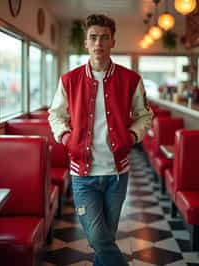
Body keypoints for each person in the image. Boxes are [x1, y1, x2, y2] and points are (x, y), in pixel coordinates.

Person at [48, 14, 153, 266]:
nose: (99, 43)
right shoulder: (69, 80)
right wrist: (65, 137)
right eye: (93, 37)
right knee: (99, 238)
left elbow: (144, 115)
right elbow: (55, 115)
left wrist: (131, 136)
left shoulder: (131, 80)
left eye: (104, 38)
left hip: (118, 173)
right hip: (83, 175)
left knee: (105, 238)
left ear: (113, 41)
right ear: (86, 42)